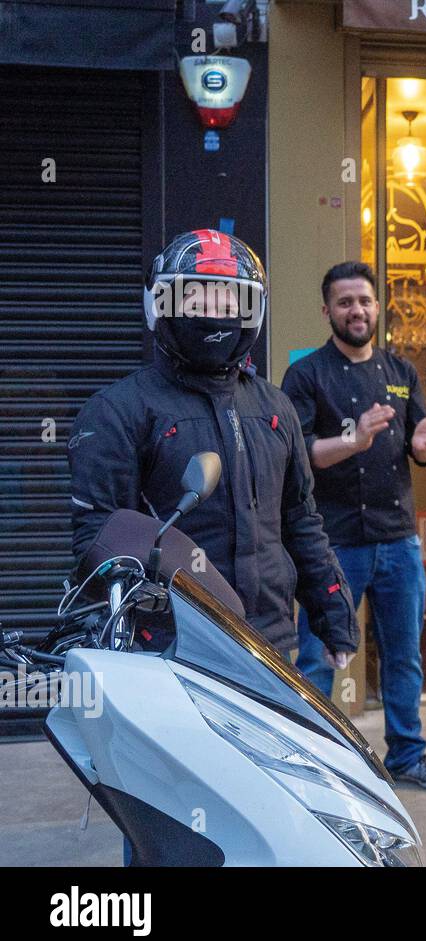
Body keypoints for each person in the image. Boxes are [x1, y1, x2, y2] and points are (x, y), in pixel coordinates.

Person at [67, 229, 359, 663]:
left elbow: (299, 518)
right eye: (196, 300)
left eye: (228, 302)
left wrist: (334, 616)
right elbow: (102, 538)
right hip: (172, 647)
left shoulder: (273, 405)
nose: (213, 313)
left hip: (271, 644)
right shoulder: (117, 410)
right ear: (161, 305)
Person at [280, 261, 426, 792]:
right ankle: (309, 761)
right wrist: (353, 442)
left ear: (377, 307)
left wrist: (424, 449)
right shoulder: (306, 374)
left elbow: (419, 444)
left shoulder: (402, 372)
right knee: (317, 655)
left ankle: (406, 754)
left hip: (398, 540)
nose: (356, 310)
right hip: (332, 543)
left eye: (364, 300)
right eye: (344, 302)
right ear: (327, 311)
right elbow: (302, 454)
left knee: (403, 653)